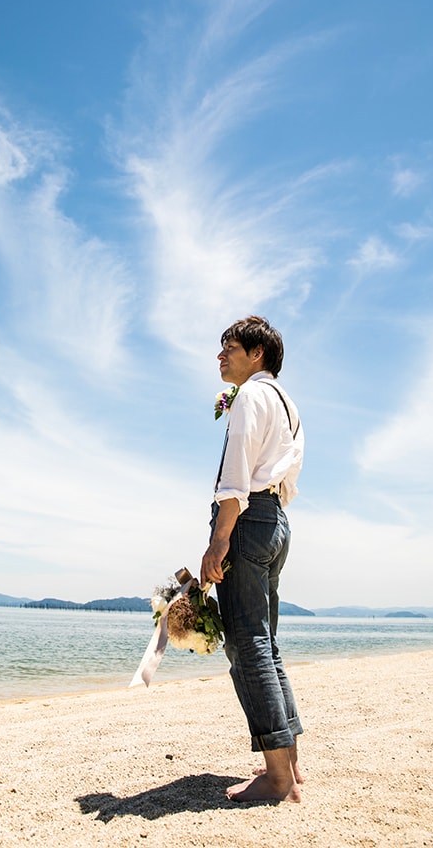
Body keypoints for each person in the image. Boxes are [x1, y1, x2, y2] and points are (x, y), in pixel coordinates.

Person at [200, 315, 304, 803]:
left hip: (248, 518)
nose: (220, 356)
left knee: (247, 645)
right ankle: (291, 763)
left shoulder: (252, 398)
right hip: (277, 520)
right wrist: (228, 393)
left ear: (256, 354)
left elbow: (235, 475)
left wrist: (218, 541)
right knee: (266, 642)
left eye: (230, 348)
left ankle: (278, 778)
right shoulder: (285, 403)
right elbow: (220, 410)